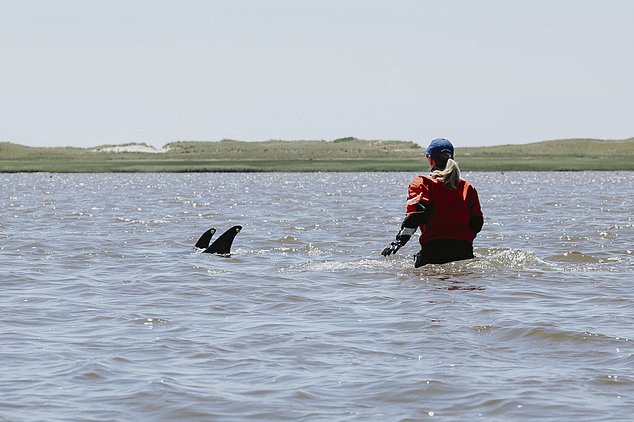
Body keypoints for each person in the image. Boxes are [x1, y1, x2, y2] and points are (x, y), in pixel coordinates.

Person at [381, 138, 483, 267]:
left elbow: (415, 216)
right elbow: (477, 224)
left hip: (433, 252)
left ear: (430, 159)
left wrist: (398, 242)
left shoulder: (423, 183)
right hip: (464, 251)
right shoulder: (468, 187)